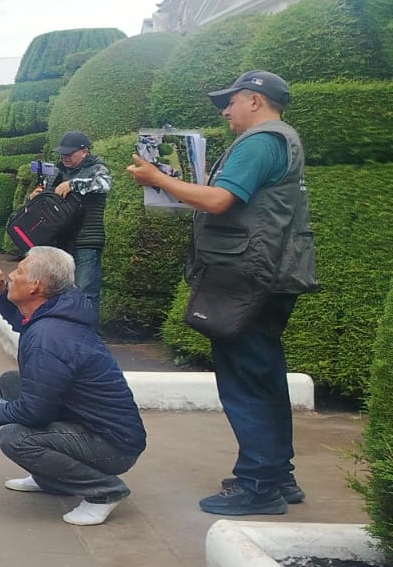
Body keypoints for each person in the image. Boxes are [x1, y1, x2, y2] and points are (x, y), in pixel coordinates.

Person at [125, 70, 316, 516]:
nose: (225, 111)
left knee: (246, 381)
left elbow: (218, 201)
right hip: (266, 273)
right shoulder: (280, 139)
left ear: (255, 99)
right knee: (263, 375)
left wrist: (159, 179)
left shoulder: (260, 142)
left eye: (230, 102)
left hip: (245, 275)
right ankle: (275, 474)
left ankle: (258, 486)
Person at [0, 248, 145, 525]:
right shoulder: (56, 312)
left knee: (14, 438)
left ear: (36, 286)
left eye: (19, 273)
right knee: (11, 382)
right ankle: (50, 479)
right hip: (94, 428)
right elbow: (22, 321)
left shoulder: (49, 337)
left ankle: (105, 492)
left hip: (112, 446)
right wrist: (2, 291)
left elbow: (34, 412)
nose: (11, 275)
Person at [28, 131, 110, 313]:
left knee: (85, 292)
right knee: (56, 292)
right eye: (62, 153)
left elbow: (104, 185)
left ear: (84, 152)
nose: (65, 157)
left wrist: (72, 184)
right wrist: (34, 198)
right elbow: (47, 202)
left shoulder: (97, 168)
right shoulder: (57, 171)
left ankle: (87, 336)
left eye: (70, 153)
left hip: (85, 240)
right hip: (58, 240)